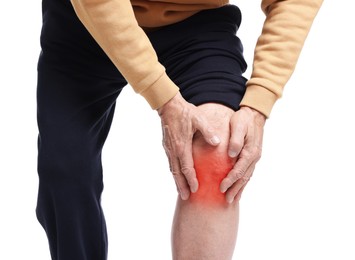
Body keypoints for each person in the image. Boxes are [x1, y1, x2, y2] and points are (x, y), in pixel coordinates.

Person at [35, 0, 323, 259]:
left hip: (193, 21)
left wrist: (259, 99)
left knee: (219, 150)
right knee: (66, 172)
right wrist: (164, 98)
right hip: (87, 23)